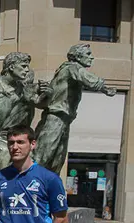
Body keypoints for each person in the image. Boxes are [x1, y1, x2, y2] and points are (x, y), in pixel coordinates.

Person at [34, 44, 118, 173]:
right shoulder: (72, 67)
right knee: (45, 153)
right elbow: (89, 80)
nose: (92, 57)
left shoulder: (67, 69)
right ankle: (29, 181)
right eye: (88, 54)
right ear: (78, 56)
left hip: (64, 118)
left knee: (58, 157)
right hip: (56, 117)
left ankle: (49, 185)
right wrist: (105, 88)